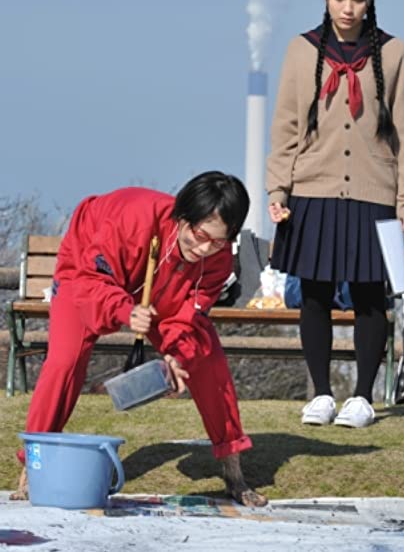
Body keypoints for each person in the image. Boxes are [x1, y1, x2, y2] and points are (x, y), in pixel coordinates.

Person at [15, 171, 267, 506]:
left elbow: (187, 316)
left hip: (160, 292)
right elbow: (91, 279)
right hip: (87, 276)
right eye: (198, 234)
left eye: (218, 241)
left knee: (207, 357)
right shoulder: (130, 217)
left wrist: (177, 356)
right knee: (64, 362)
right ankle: (33, 468)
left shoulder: (216, 259)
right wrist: (125, 310)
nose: (204, 248)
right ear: (182, 216)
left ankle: (233, 471)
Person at [266, 0, 404, 428]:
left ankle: (362, 397)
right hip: (312, 189)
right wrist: (279, 187)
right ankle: (319, 393)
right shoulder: (302, 50)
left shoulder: (393, 53)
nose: (348, 8)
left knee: (369, 295)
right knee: (313, 293)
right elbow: (286, 124)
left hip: (375, 192)